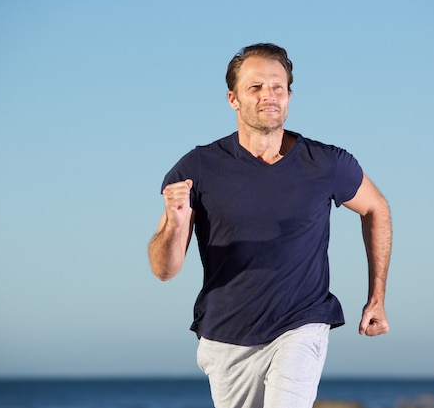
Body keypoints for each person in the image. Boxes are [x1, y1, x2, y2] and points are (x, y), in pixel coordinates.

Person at [148, 43, 392, 408]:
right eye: (256, 87)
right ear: (233, 99)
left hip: (301, 323)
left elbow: (376, 209)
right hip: (226, 337)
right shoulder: (197, 168)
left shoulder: (326, 163)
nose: (270, 96)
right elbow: (164, 270)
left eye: (278, 86)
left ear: (290, 95)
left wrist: (377, 298)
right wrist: (175, 223)